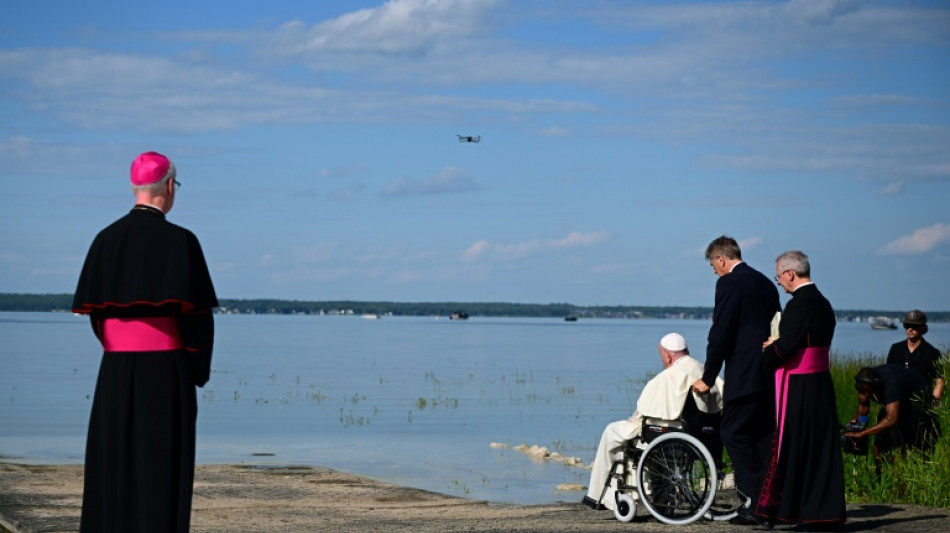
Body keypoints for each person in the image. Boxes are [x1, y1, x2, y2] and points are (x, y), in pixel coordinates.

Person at [72, 151, 218, 533]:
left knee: (113, 464)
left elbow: (97, 317)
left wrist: (121, 346)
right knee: (162, 467)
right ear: (169, 186)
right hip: (167, 371)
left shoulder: (105, 240)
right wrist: (194, 372)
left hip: (115, 371)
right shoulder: (182, 241)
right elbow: (199, 322)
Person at [691, 235, 780, 525]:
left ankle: (758, 503)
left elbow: (721, 333)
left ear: (721, 258)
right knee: (764, 437)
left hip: (744, 371)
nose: (714, 271)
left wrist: (708, 377)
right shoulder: (766, 283)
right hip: (769, 370)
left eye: (713, 265)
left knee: (731, 432)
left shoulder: (729, 282)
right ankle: (773, 500)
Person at [583, 333, 723, 511]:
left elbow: (645, 413)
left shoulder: (667, 377)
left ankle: (602, 497)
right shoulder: (704, 371)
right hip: (702, 435)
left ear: (668, 356)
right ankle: (653, 492)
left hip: (670, 434)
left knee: (613, 432)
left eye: (662, 356)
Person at [757, 250, 846, 526]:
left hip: (799, 385)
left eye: (779, 277)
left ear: (790, 274)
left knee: (795, 445)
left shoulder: (798, 305)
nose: (780, 283)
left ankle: (793, 510)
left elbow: (786, 347)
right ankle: (823, 512)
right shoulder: (824, 302)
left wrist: (768, 351)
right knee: (820, 448)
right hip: (821, 381)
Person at [844, 365, 936, 458]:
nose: (867, 395)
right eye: (864, 392)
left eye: (869, 391)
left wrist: (863, 433)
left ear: (875, 384)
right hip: (895, 399)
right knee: (880, 441)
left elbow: (892, 419)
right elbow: (863, 406)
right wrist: (855, 426)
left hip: (917, 395)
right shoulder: (863, 384)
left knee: (908, 439)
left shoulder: (891, 383)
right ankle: (880, 470)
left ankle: (910, 464)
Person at [886, 310, 944, 402]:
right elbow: (888, 375)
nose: (910, 329)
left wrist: (933, 403)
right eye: (907, 326)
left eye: (914, 326)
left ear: (923, 327)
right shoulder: (895, 349)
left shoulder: (932, 352)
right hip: (897, 402)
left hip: (921, 403)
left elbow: (940, 381)